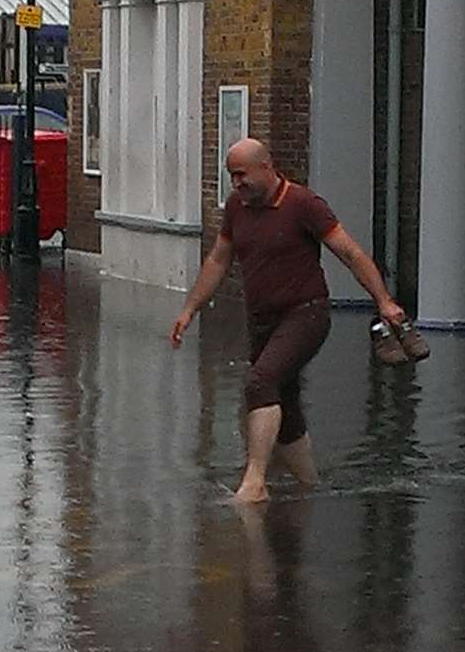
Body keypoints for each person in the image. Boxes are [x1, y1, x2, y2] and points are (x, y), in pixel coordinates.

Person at [170, 138, 406, 504]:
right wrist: (190, 309)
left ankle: (255, 482)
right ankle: (310, 487)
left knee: (259, 382)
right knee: (286, 401)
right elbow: (218, 260)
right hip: (262, 320)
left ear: (267, 166)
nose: (237, 184)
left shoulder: (303, 204)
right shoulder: (237, 208)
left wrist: (384, 301)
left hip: (306, 314)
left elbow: (349, 252)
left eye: (242, 175)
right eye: (232, 177)